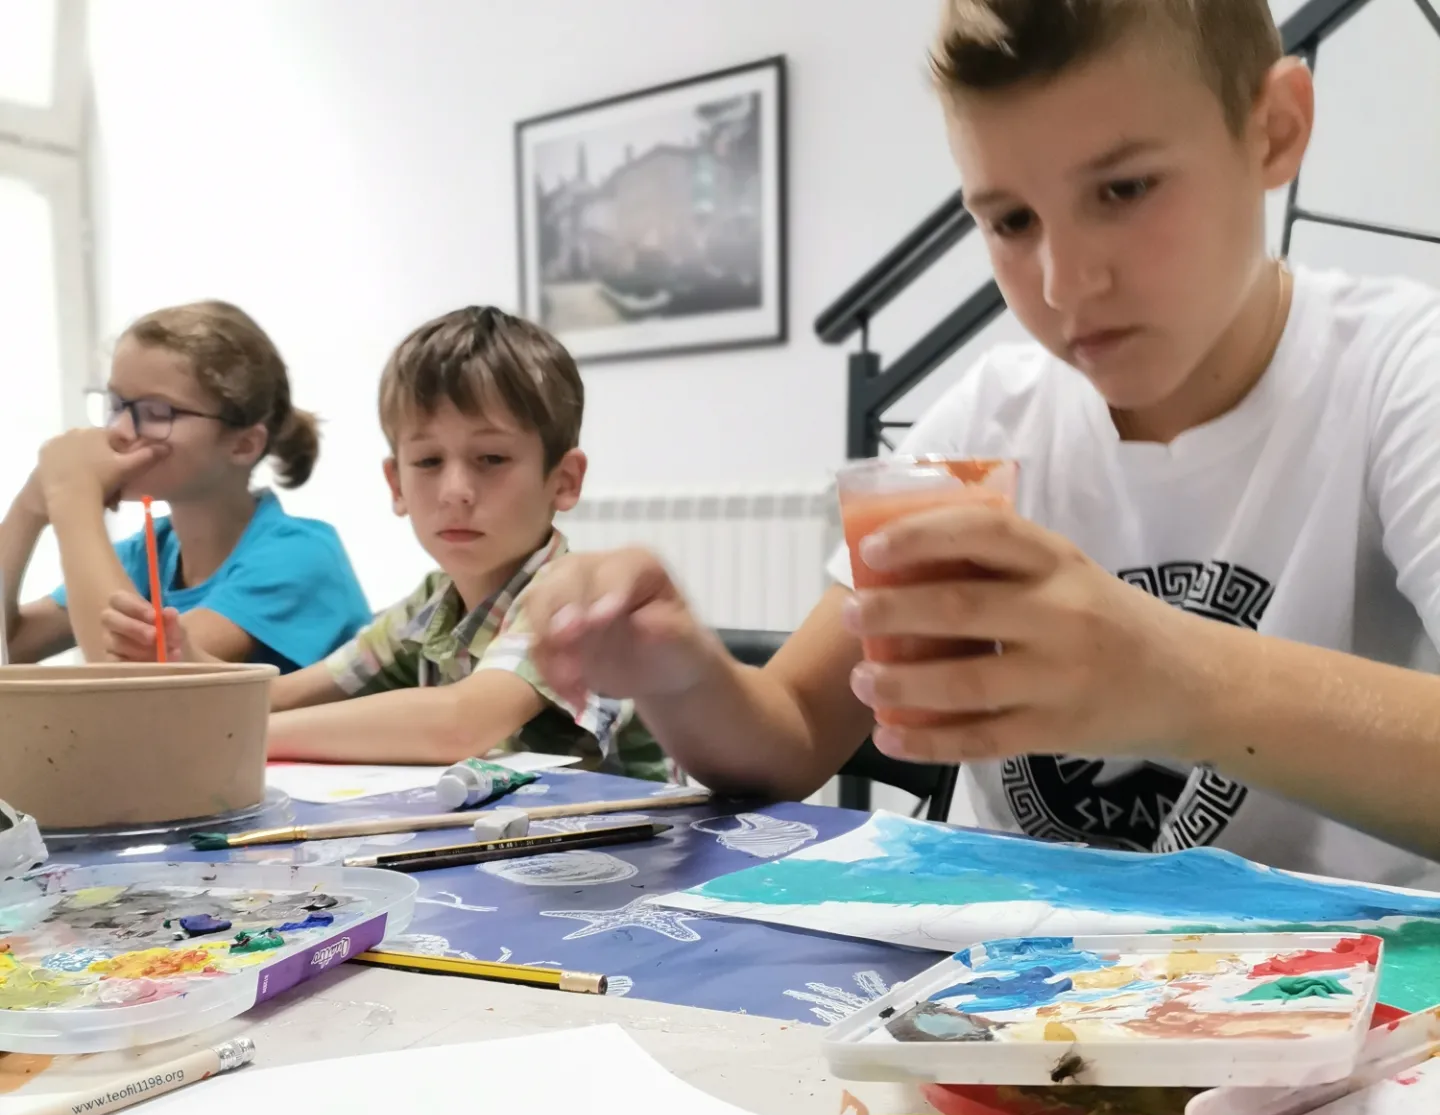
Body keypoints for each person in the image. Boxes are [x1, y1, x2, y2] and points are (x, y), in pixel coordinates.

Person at [522, 0, 1440, 887]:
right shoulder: (986, 418)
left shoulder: (1403, 372)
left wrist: (1183, 681)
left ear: (1275, 131)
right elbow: (795, 731)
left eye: (1124, 189)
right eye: (1011, 221)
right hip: (999, 967)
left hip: (1333, 973)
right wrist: (680, 671)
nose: (1065, 281)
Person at [107, 305, 668, 778]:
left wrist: (233, 736)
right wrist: (192, 664)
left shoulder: (571, 600)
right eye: (428, 461)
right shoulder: (430, 606)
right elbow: (281, 694)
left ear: (563, 481)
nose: (455, 491)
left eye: (491, 458)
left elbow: (459, 724)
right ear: (396, 484)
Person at [0, 300, 371, 673]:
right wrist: (31, 504)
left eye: (157, 412)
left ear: (244, 445)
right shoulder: (148, 553)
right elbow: (9, 644)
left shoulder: (299, 557)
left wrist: (73, 496)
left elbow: (139, 679)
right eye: (117, 405)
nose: (119, 431)